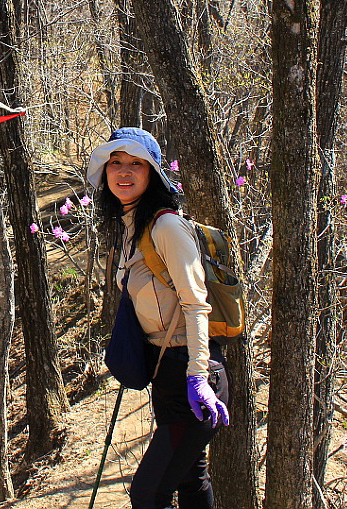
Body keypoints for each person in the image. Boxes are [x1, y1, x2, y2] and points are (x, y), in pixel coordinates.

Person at [87, 127, 230, 509]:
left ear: (152, 173)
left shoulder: (166, 226)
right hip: (165, 374)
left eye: (137, 163)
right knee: (191, 478)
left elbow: (196, 303)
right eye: (116, 162)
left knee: (148, 494)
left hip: (193, 376)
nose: (124, 171)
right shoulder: (130, 228)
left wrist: (197, 376)